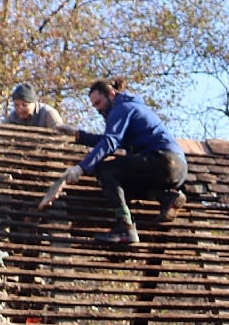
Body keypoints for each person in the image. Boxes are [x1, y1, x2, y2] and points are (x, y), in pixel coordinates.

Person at [45, 79, 188, 245]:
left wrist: (82, 168)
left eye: (99, 102)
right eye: (94, 106)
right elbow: (112, 140)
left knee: (105, 170)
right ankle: (165, 196)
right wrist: (78, 135)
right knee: (122, 186)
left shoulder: (121, 109)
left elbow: (110, 142)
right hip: (177, 168)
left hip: (161, 160)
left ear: (111, 93)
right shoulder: (132, 107)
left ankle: (125, 228)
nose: (98, 109)